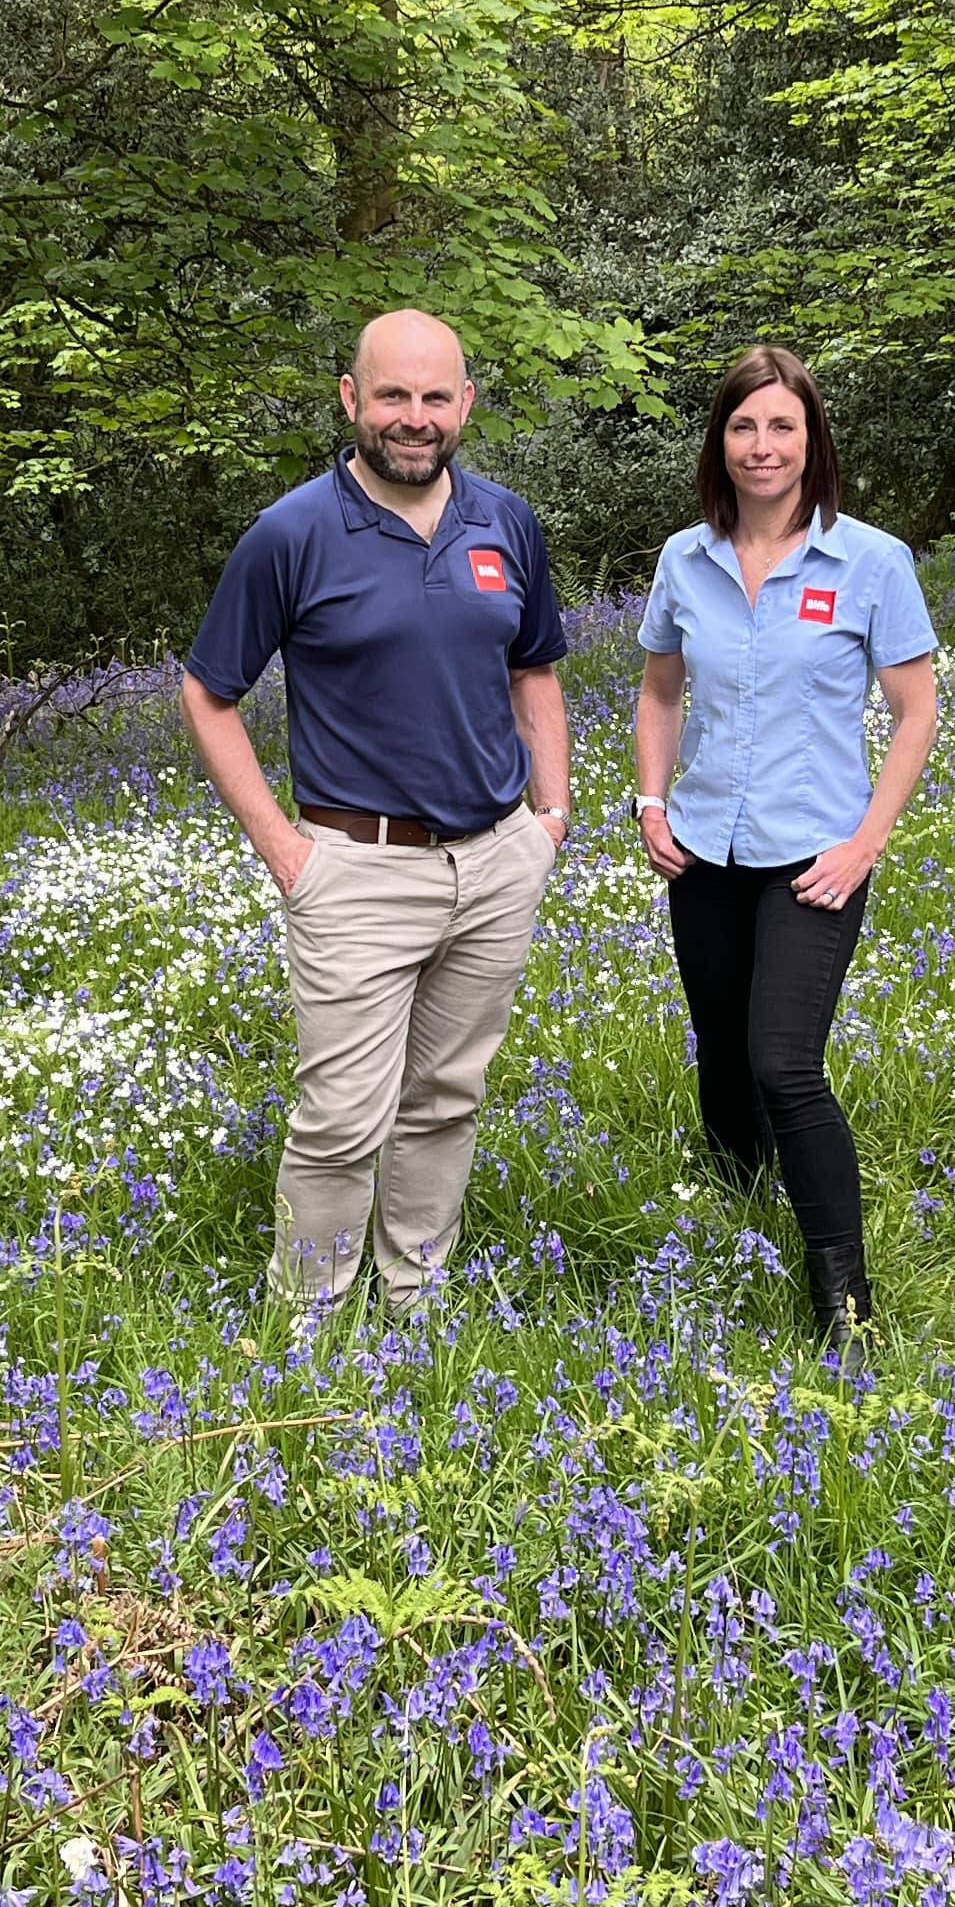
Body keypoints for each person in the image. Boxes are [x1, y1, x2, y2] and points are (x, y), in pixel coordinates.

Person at [180, 309, 571, 1314]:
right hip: (355, 867)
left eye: (435, 397)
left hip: (493, 863)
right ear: (352, 399)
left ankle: (414, 1303)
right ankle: (303, 1322)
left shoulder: (506, 522)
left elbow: (535, 670)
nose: (414, 417)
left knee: (445, 1101)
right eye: (392, 395)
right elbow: (209, 694)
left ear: (465, 405)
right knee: (342, 1119)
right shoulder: (292, 533)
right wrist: (284, 848)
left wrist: (551, 817)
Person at [629, 347, 943, 1339]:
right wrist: (649, 802)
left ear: (813, 442)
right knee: (721, 1052)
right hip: (704, 850)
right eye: (743, 428)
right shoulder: (686, 559)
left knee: (783, 1064)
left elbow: (917, 711)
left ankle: (843, 1297)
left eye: (782, 428)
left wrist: (866, 844)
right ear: (719, 444)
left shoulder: (871, 562)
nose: (762, 447)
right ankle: (741, 1208)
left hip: (817, 857)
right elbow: (657, 689)